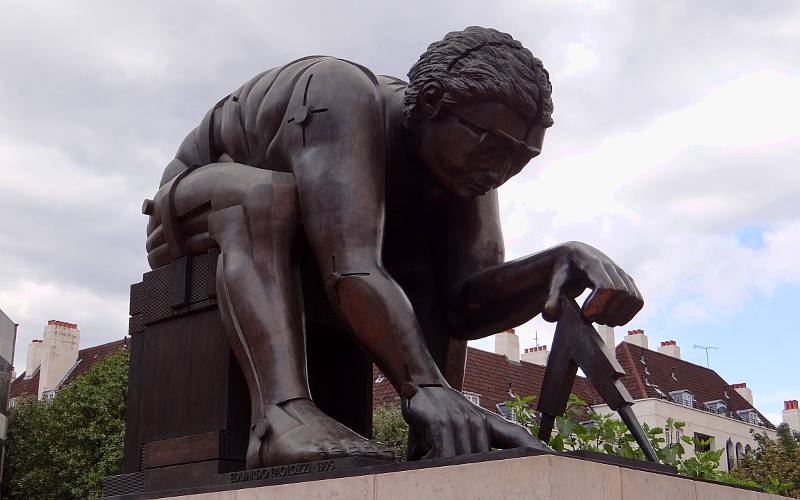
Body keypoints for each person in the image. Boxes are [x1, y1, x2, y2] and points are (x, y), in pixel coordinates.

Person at [145, 26, 643, 468]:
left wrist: (557, 263)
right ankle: (280, 419)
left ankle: (434, 437)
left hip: (318, 235)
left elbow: (464, 304)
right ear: (428, 105)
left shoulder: (470, 168)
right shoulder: (341, 95)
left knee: (416, 257)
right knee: (265, 199)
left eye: (522, 157)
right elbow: (350, 268)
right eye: (491, 143)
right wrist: (425, 386)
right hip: (187, 208)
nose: (502, 169)